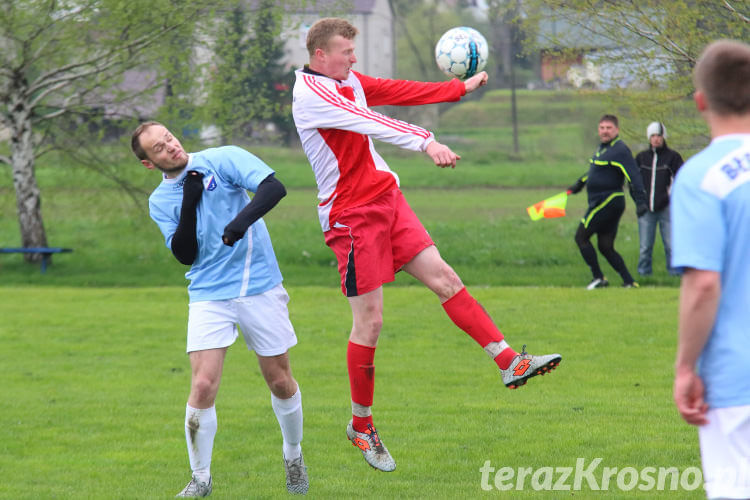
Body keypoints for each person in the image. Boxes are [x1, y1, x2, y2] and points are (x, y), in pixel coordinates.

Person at [291, 17, 561, 472]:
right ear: (320, 55)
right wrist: (426, 141)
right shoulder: (311, 95)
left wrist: (455, 90)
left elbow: (396, 90)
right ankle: (361, 425)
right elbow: (368, 121)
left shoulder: (346, 79)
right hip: (351, 216)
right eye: (346, 51)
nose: (354, 59)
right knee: (370, 324)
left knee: (445, 278)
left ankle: (509, 361)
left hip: (386, 200)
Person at [130, 122, 308, 496]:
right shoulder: (159, 202)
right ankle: (200, 478)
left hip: (258, 284)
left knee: (278, 380)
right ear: (149, 164)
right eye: (159, 149)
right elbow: (184, 254)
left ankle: (293, 456)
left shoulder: (222, 158)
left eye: (169, 139)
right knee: (203, 384)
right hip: (209, 294)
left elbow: (274, 187)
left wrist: (239, 223)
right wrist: (190, 201)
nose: (170, 148)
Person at [672, 39, 750, 500]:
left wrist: (685, 367)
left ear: (701, 101)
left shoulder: (701, 177)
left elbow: (703, 284)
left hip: (736, 379)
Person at [567, 115, 648, 289]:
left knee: (581, 237)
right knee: (605, 246)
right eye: (602, 128)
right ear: (598, 130)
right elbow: (595, 171)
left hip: (608, 200)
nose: (605, 131)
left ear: (616, 130)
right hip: (602, 201)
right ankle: (629, 281)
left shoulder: (620, 150)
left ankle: (598, 278)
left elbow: (633, 175)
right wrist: (580, 183)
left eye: (609, 128)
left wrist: (640, 201)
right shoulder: (602, 149)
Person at [634, 122, 683, 276]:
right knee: (645, 246)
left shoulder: (673, 157)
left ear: (664, 137)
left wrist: (671, 198)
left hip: (666, 208)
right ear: (649, 138)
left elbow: (680, 180)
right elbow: (633, 181)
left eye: (659, 136)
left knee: (671, 245)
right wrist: (639, 201)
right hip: (646, 209)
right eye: (653, 136)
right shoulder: (641, 158)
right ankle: (644, 274)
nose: (656, 139)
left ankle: (674, 274)